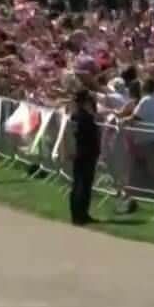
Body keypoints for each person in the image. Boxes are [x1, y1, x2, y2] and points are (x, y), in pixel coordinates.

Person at [69, 89, 101, 225]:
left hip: (79, 152)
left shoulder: (75, 115)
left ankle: (78, 214)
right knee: (83, 185)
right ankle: (80, 215)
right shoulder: (85, 117)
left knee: (78, 184)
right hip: (86, 152)